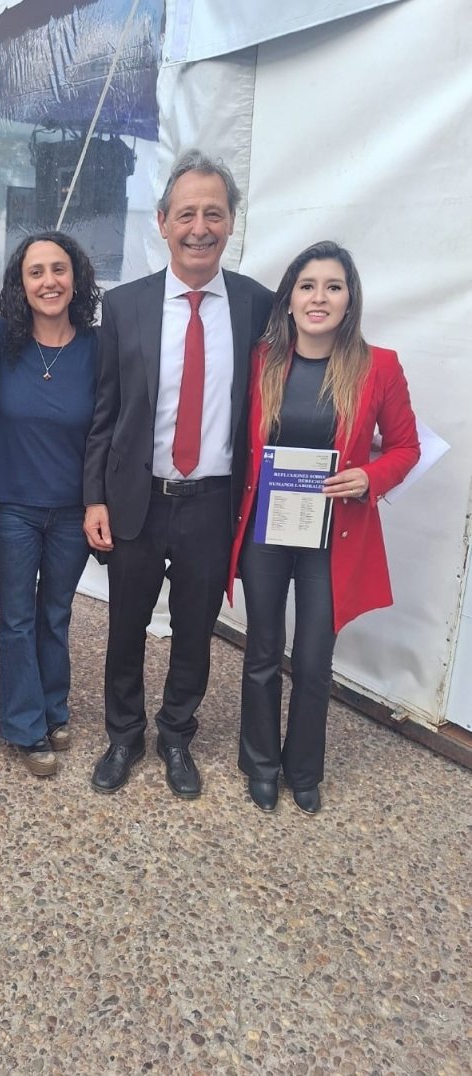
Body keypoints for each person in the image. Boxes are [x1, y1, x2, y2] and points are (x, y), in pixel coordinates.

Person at [83, 148, 274, 797]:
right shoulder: (126, 304)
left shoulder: (257, 307)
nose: (200, 227)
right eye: (186, 213)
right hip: (138, 496)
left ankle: (176, 735)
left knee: (195, 627)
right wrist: (93, 499)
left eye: (213, 214)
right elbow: (103, 410)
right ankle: (124, 736)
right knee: (126, 625)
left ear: (230, 224)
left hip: (212, 504)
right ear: (162, 221)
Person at [227, 241, 419, 815]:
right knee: (261, 651)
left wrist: (369, 476)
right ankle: (259, 763)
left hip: (332, 538)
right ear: (288, 299)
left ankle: (303, 769)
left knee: (313, 658)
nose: (319, 297)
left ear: (349, 299)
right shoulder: (261, 360)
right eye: (307, 285)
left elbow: (406, 447)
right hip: (267, 527)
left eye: (332, 286)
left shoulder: (378, 365)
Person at [0, 232, 100, 776]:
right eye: (36, 272)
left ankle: (55, 707)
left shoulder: (99, 347)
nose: (48, 282)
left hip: (73, 511)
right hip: (14, 506)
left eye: (58, 270)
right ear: (20, 284)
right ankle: (25, 726)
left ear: (75, 278)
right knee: (16, 616)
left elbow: (111, 428)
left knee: (56, 612)